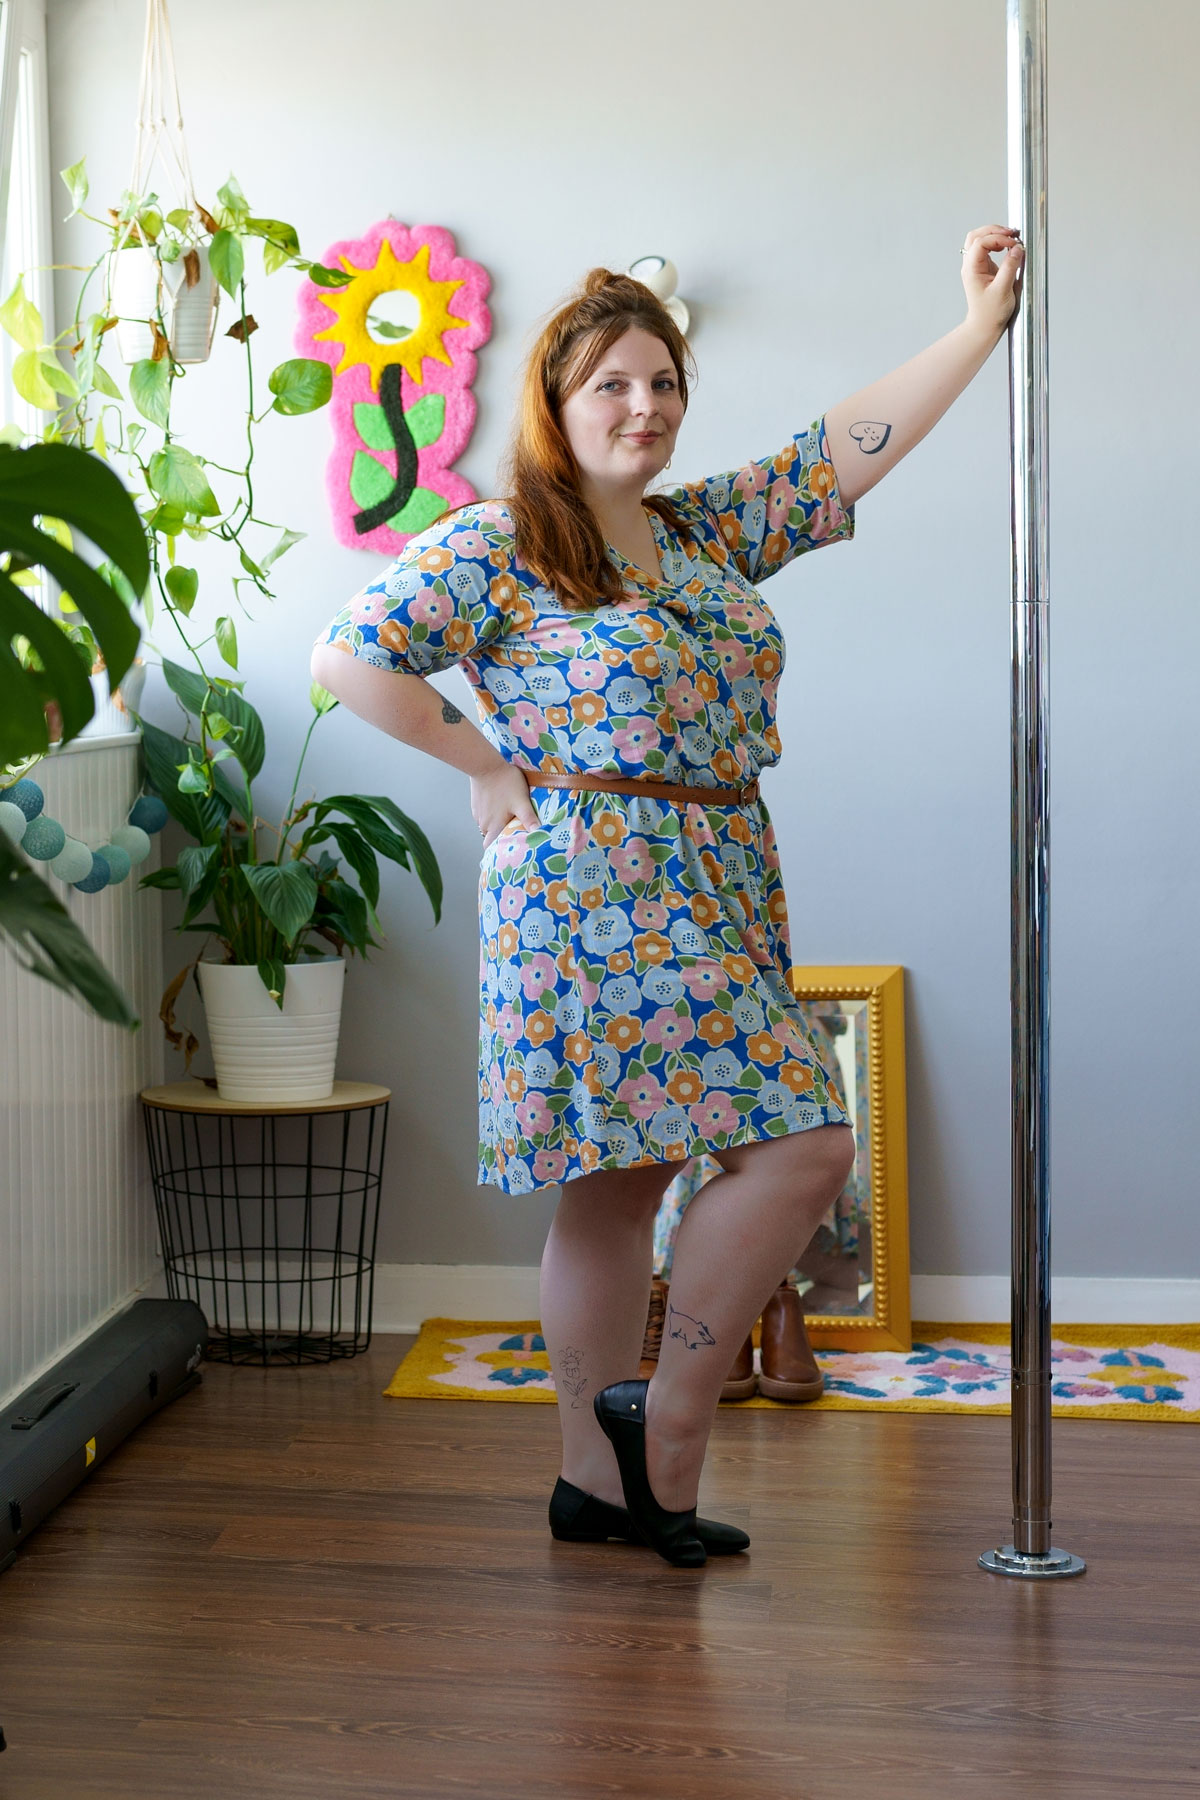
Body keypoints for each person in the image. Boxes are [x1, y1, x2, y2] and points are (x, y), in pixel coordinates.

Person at [311, 224, 1024, 1566]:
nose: (645, 409)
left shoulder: (704, 534)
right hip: (591, 892)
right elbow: (353, 657)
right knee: (684, 1171)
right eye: (613, 387)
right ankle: (653, 1440)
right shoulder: (504, 540)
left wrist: (978, 333)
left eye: (664, 385)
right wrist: (484, 759)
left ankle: (621, 1463)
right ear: (557, 405)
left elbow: (844, 446)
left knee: (706, 1164)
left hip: (719, 873)